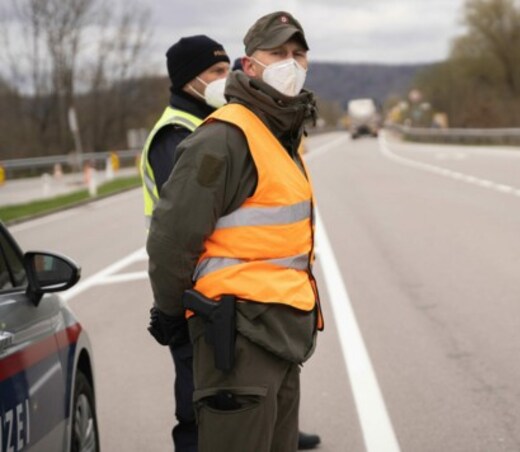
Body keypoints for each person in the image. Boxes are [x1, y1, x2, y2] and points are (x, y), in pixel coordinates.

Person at [146, 11, 322, 452]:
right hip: (237, 336)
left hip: (281, 334)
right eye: (277, 53)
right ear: (250, 64)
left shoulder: (279, 134)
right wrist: (171, 314)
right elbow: (172, 237)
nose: (290, 63)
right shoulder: (224, 138)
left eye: (298, 54)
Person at [140, 34, 230, 452]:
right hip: (192, 288)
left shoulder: (211, 123)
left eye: (227, 70)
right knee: (197, 404)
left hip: (219, 283)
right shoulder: (174, 134)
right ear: (188, 79)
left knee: (232, 389)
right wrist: (172, 307)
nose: (224, 80)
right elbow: (180, 226)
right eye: (216, 72)